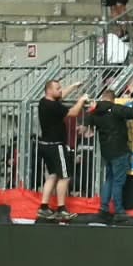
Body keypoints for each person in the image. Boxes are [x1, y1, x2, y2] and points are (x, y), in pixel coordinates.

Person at [82, 87, 133, 223]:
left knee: (109, 179)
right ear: (113, 99)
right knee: (118, 182)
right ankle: (119, 211)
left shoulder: (95, 112)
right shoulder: (116, 109)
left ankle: (104, 208)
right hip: (119, 150)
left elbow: (87, 123)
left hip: (106, 151)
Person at [36, 79, 89, 222]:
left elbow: (61, 95)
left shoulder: (43, 102)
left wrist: (73, 86)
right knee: (64, 176)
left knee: (52, 175)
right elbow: (74, 112)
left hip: (45, 145)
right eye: (57, 88)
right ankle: (61, 209)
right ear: (49, 90)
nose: (60, 90)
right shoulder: (54, 106)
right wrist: (81, 100)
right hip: (56, 145)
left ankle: (44, 207)